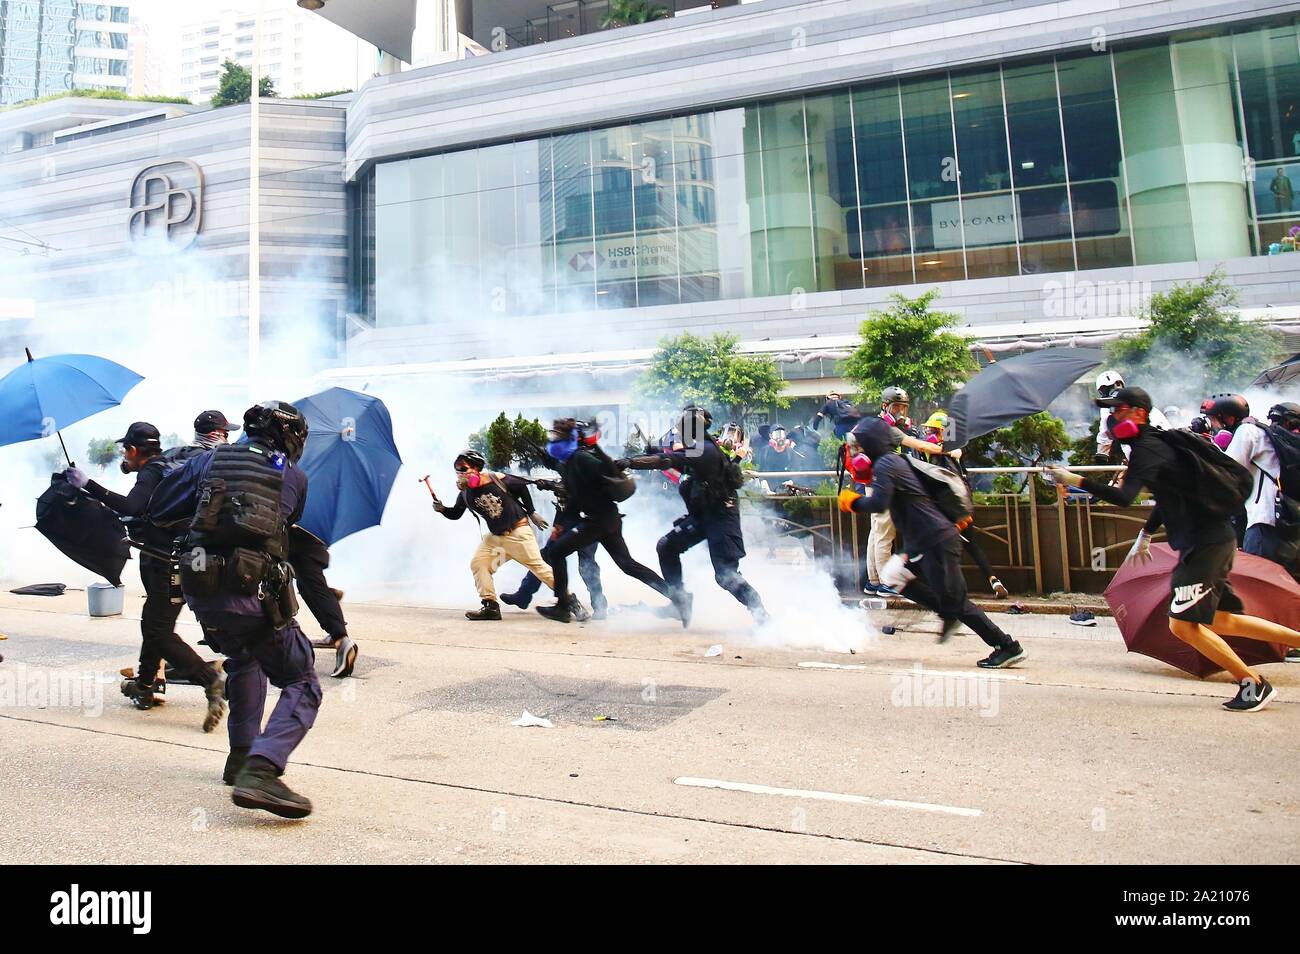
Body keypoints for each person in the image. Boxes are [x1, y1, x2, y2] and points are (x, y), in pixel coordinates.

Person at [1048, 387, 1300, 710]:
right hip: (1211, 538)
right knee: (1223, 620)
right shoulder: (1160, 442)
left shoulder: (1146, 447)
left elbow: (1125, 497)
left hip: (1206, 543)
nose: (1113, 417)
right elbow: (1169, 496)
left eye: (1119, 409)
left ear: (1139, 413)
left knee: (1181, 624)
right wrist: (1146, 535)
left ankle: (1253, 684)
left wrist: (1075, 479)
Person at [150, 401, 321, 816]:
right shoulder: (292, 474)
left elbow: (158, 510)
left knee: (245, 658)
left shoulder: (209, 459)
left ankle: (240, 758)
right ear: (290, 437)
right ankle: (261, 772)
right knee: (303, 679)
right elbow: (287, 519)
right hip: (251, 592)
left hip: (202, 589)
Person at [65, 422, 225, 731]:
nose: (124, 455)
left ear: (135, 451)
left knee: (159, 631)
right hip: (187, 558)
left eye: (126, 449)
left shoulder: (151, 471)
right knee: (153, 622)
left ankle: (210, 680)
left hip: (164, 561)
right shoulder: (174, 463)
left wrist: (88, 484)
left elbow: (131, 506)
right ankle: (146, 683)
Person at [840, 417, 1027, 668]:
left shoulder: (886, 464)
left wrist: (851, 502)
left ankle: (1006, 646)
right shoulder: (893, 461)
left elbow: (879, 503)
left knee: (958, 604)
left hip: (934, 541)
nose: (857, 452)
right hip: (923, 542)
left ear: (872, 443)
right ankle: (946, 611)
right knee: (894, 575)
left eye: (860, 446)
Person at [618, 406, 768, 624]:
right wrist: (654, 452)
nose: (679, 435)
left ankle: (761, 613)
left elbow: (666, 460)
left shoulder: (705, 450)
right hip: (702, 515)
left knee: (726, 576)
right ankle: (679, 602)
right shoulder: (699, 448)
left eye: (684, 431)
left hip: (721, 516)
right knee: (666, 547)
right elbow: (670, 457)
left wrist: (631, 462)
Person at [537, 419, 681, 624]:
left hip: (599, 520)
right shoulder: (571, 463)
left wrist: (597, 447)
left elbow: (610, 471)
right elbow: (576, 498)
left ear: (571, 440)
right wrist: (560, 526)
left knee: (556, 551)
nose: (553, 442)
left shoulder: (582, 458)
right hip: (606, 519)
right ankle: (677, 597)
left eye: (557, 438)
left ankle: (562, 606)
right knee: (627, 565)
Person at [433, 449, 557, 621]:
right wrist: (442, 509)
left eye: (463, 467)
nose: (460, 472)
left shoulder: (495, 478)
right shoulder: (465, 493)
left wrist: (532, 512)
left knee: (540, 569)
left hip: (518, 534)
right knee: (479, 563)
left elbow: (521, 486)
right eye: (457, 468)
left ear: (476, 468)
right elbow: (456, 513)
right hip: (496, 539)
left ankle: (569, 600)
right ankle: (490, 606)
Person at [919, 410, 1010, 598]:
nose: (929, 433)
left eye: (933, 430)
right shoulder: (956, 450)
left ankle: (947, 589)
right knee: (972, 545)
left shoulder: (932, 448)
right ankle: (994, 580)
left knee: (938, 546)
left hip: (943, 507)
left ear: (940, 431)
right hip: (963, 504)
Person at [501, 475, 606, 620]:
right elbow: (562, 504)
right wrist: (557, 525)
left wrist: (549, 485)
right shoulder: (567, 467)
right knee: (545, 557)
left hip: (588, 523)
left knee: (586, 564)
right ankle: (523, 595)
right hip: (567, 522)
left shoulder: (581, 465)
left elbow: (571, 489)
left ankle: (600, 605)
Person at [1211, 394, 1284, 565]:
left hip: (1263, 522)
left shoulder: (1247, 431)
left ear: (1229, 418)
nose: (1212, 426)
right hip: (1281, 521)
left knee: (1257, 581)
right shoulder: (1263, 432)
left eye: (1214, 420)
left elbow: (1225, 472)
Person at [289, 525, 358, 676]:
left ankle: (342, 641)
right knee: (307, 585)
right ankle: (335, 625)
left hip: (301, 538)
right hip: (306, 536)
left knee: (311, 585)